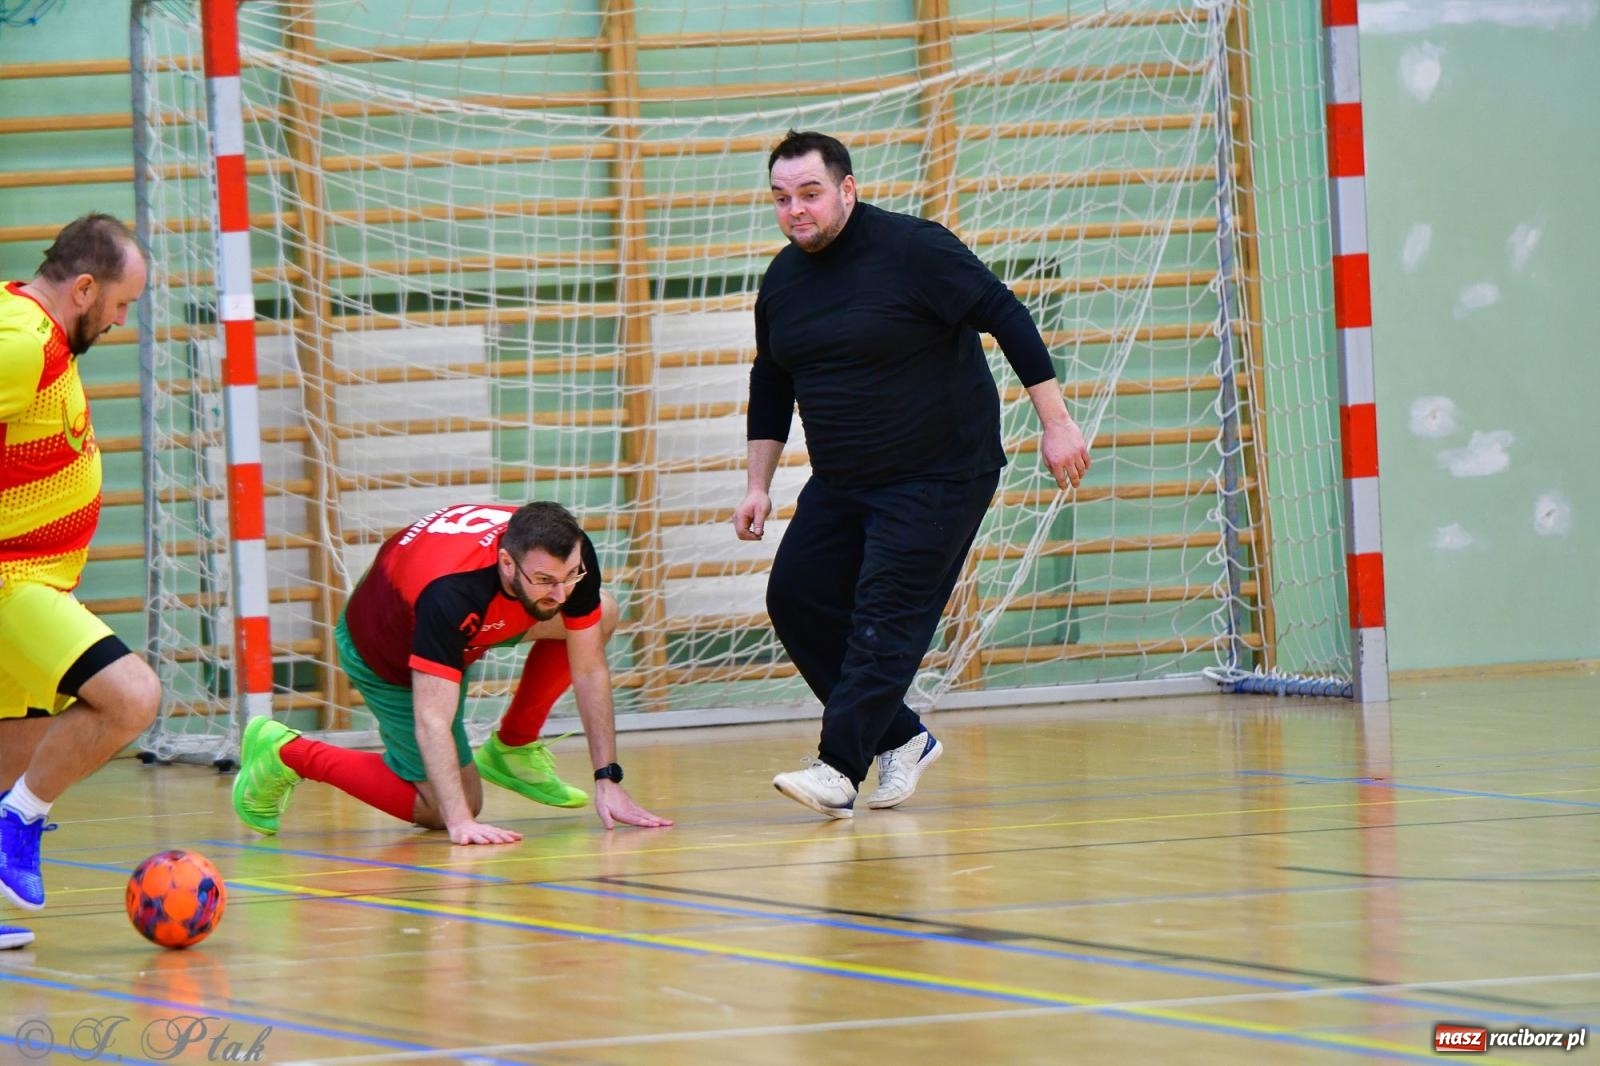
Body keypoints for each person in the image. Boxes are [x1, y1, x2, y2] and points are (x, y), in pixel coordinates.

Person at [735, 131, 1091, 819]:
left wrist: (1057, 422)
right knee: (797, 598)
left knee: (882, 611)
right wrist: (757, 484)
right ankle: (902, 738)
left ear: (847, 189)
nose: (796, 210)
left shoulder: (915, 249)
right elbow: (771, 382)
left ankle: (839, 769)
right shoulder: (783, 281)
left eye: (810, 194)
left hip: (940, 472)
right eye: (781, 199)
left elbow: (1007, 316)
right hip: (843, 479)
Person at [231, 501, 671, 843]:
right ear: (506, 563)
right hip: (388, 653)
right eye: (545, 580)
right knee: (444, 808)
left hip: (477, 620)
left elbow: (589, 667)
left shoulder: (564, 561)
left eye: (569, 575)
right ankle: (284, 752)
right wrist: (460, 822)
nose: (560, 591)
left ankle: (512, 749)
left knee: (600, 614)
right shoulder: (448, 594)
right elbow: (432, 717)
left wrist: (607, 778)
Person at [0, 214, 161, 947]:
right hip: (14, 584)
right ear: (85, 288)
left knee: (19, 746)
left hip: (40, 584)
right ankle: (19, 823)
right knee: (132, 698)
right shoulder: (22, 344)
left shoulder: (38, 335)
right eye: (121, 305)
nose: (122, 321)